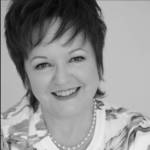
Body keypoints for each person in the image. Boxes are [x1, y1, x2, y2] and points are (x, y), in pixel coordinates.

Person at [1, 0, 150, 149]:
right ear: (25, 71)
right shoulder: (5, 138)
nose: (62, 79)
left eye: (76, 58)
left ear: (97, 59)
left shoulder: (138, 134)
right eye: (43, 65)